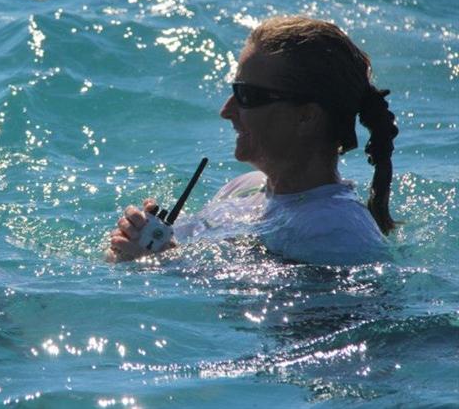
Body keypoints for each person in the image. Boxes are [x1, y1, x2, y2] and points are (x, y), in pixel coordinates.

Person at [109, 16, 399, 265]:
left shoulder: (338, 232)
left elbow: (292, 315)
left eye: (247, 96)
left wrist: (164, 266)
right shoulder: (244, 188)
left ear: (306, 117)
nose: (226, 111)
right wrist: (134, 241)